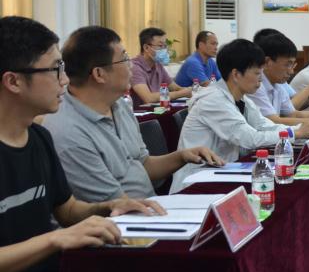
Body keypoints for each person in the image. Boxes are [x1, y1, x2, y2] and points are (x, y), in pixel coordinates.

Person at [0, 17, 164, 272]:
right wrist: (54, 239)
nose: (65, 80)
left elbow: (67, 209)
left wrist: (108, 207)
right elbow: (58, 231)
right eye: (54, 70)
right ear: (13, 82)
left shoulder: (39, 138)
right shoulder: (58, 132)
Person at [44, 26, 224, 201]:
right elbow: (115, 204)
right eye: (124, 58)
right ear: (99, 74)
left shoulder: (119, 106)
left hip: (148, 207)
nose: (131, 64)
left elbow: (143, 165)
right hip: (122, 217)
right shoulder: (70, 131)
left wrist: (182, 156)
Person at [171, 39, 309, 193]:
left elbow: (263, 125)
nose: (261, 78)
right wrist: (296, 133)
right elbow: (250, 139)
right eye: (257, 73)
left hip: (220, 172)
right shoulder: (213, 100)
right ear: (236, 74)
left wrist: (301, 129)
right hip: (194, 182)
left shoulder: (242, 98)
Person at [248, 34, 309, 127]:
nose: (291, 71)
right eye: (288, 64)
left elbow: (293, 114)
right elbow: (273, 121)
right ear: (267, 62)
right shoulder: (255, 85)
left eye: (292, 65)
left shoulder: (278, 85)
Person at [130, 27, 192, 105]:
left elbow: (175, 88)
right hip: (142, 111)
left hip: (157, 109)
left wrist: (189, 91)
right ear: (146, 47)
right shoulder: (134, 67)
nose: (164, 50)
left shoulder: (157, 64)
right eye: (160, 46)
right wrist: (182, 93)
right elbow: (148, 98)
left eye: (165, 46)